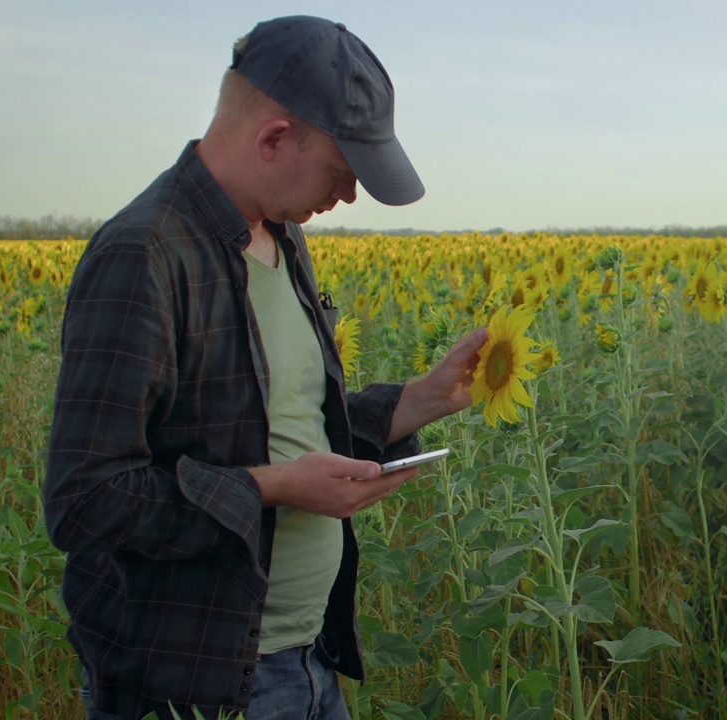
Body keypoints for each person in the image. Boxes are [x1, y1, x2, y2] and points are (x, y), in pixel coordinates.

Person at [42, 15, 486, 720]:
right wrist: (274, 487)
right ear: (275, 138)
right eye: (343, 173)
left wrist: (422, 399)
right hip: (199, 681)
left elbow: (292, 421)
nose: (348, 198)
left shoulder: (281, 236)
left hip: (308, 659)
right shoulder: (143, 255)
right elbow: (86, 503)